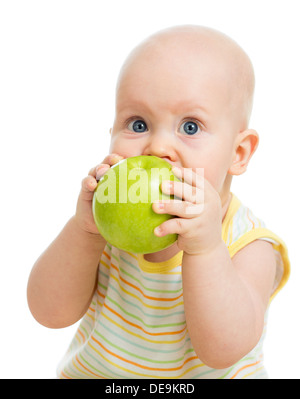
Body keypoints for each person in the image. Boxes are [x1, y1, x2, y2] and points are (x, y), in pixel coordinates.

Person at [27, 25, 290, 379]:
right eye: (137, 124)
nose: (157, 148)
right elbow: (48, 313)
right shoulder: (106, 227)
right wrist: (85, 231)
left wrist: (205, 248)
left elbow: (222, 350)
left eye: (191, 127)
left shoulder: (248, 245)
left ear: (238, 153)